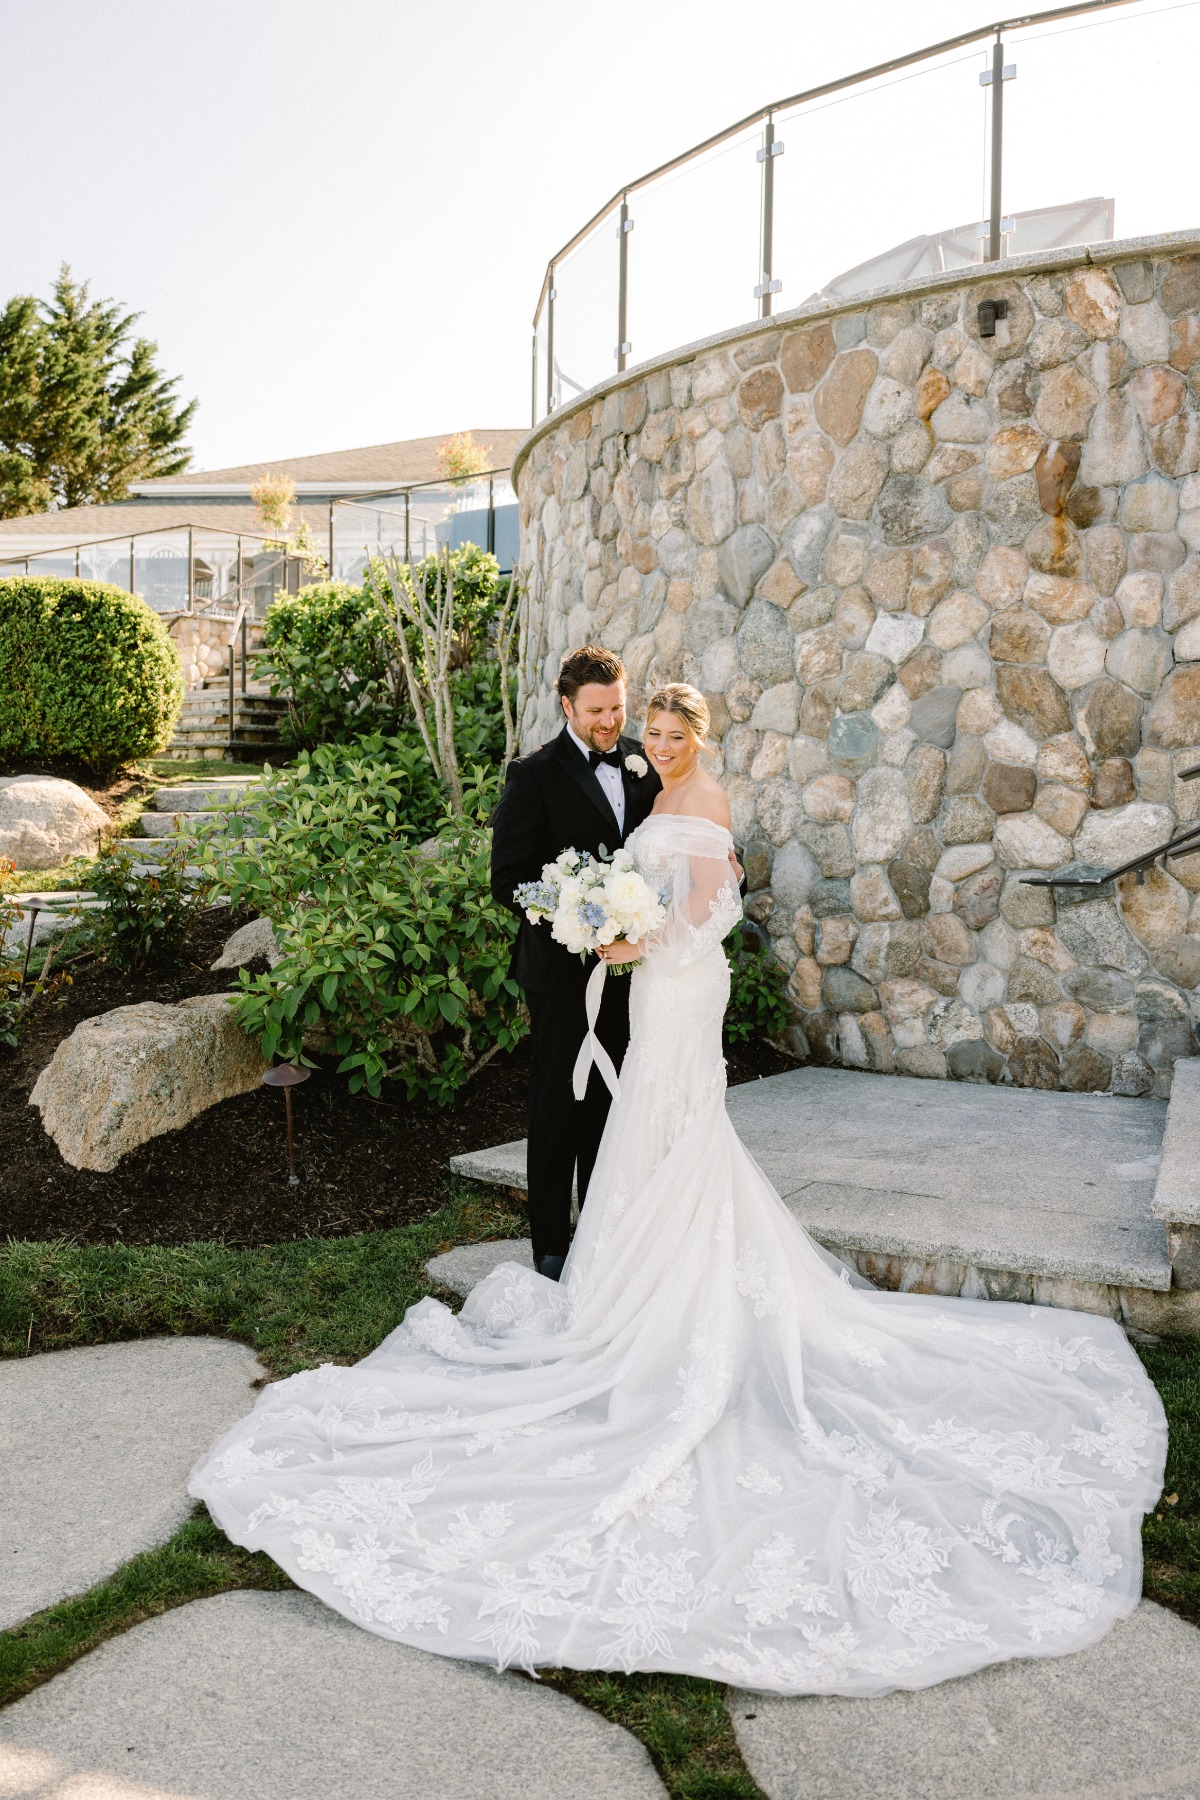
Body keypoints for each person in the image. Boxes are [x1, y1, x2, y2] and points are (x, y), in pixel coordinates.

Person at [191, 682, 1166, 1699]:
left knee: (674, 1119)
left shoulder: (703, 804)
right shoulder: (654, 795)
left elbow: (708, 914)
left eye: (669, 734)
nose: (654, 745)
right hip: (650, 985)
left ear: (698, 739)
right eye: (646, 732)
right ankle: (635, 1279)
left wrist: (632, 940)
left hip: (676, 985)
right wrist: (616, 932)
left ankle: (678, 1290)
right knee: (652, 1128)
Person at [488, 645, 660, 1279]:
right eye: (596, 712)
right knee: (559, 1105)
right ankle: (551, 1249)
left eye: (617, 708)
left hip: (636, 972)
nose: (610, 722)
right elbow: (506, 878)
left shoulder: (647, 765)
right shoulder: (532, 775)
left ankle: (603, 1232)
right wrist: (572, 907)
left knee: (614, 1104)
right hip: (561, 974)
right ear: (567, 706)